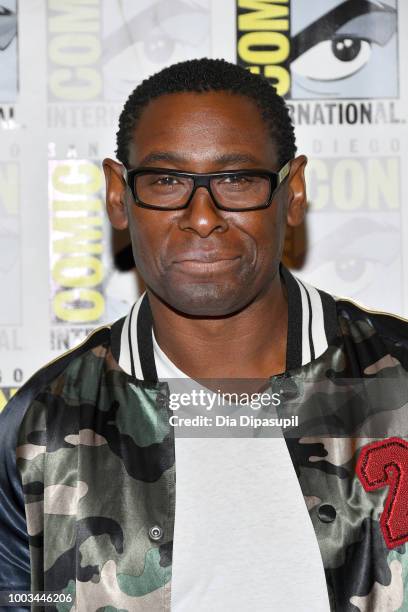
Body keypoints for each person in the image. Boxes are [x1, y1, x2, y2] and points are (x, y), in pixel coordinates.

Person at [1, 57, 408, 612]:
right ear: (119, 195)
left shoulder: (400, 376)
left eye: (236, 180)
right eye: (166, 180)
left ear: (292, 192)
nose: (201, 216)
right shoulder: (40, 425)